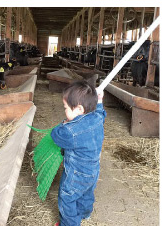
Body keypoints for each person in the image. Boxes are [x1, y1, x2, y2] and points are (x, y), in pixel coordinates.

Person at [51, 81, 106, 226]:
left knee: (67, 197)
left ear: (80, 108)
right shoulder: (97, 119)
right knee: (86, 193)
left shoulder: (71, 131)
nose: (65, 111)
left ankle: (69, 224)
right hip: (93, 170)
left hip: (77, 173)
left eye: (66, 108)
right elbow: (100, 111)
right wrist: (99, 101)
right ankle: (84, 213)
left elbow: (56, 135)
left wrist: (62, 124)